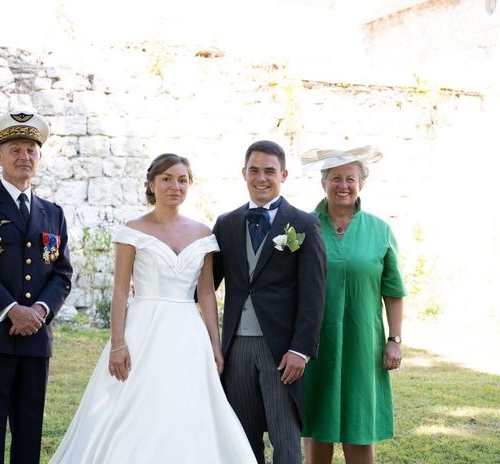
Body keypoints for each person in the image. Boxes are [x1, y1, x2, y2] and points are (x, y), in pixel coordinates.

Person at [49, 153, 256, 463]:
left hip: (188, 333)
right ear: (151, 184)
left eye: (182, 180)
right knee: (137, 404)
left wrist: (215, 345)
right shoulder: (133, 230)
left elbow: (207, 294)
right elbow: (120, 290)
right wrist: (118, 343)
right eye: (167, 179)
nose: (175, 186)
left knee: (188, 406)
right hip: (143, 330)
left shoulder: (202, 234)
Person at [0, 111, 73, 464]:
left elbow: (61, 273)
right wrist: (12, 311)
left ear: (39, 157)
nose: (25, 157)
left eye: (32, 150)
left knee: (29, 433)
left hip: (36, 337)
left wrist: (38, 311)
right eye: (16, 149)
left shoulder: (53, 213)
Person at [212, 140, 327, 464]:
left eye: (269, 171)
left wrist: (300, 349)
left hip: (281, 350)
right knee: (242, 440)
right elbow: (207, 285)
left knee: (285, 440)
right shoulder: (226, 223)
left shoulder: (303, 224)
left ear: (284, 174)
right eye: (254, 170)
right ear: (244, 173)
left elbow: (314, 294)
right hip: (235, 349)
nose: (261, 178)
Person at [299, 145, 406, 464]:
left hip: (363, 343)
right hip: (315, 343)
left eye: (350, 178)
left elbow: (393, 290)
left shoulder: (379, 230)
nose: (343, 185)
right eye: (335, 178)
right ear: (323, 183)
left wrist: (394, 341)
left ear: (361, 184)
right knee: (318, 424)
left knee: (360, 424)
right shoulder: (303, 226)